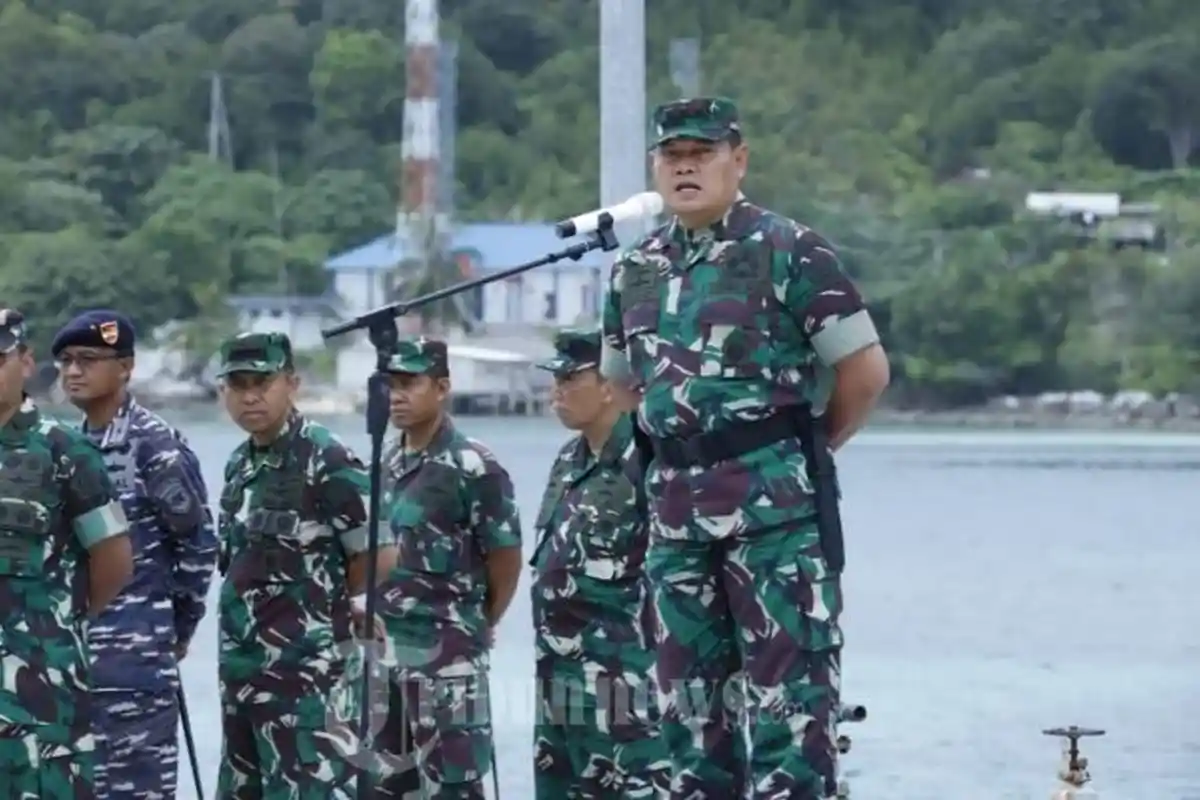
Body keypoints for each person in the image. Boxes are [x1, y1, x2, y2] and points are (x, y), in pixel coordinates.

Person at [600, 97, 891, 799]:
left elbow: (864, 371)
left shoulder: (789, 249)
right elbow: (623, 386)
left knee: (791, 711)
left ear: (739, 160)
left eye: (702, 154)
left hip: (775, 521)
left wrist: (806, 450)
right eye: (672, 156)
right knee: (689, 713)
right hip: (676, 524)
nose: (686, 167)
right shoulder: (635, 269)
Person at [214, 331, 394, 799]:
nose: (250, 396)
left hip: (305, 684)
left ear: (291, 384)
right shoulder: (240, 464)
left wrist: (331, 602)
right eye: (238, 385)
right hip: (242, 676)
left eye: (262, 383)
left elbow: (379, 553)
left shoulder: (325, 457)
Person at [51, 310, 218, 800]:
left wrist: (174, 630)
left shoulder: (153, 446)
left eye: (88, 359)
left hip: (135, 667)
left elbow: (198, 545)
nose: (73, 371)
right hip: (78, 664)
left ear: (125, 367)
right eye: (66, 360)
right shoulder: (73, 446)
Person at [371, 336, 523, 799]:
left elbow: (505, 557)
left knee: (453, 786)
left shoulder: (473, 465)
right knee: (386, 785)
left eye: (410, 383)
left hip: (448, 660)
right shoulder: (387, 458)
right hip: (387, 656)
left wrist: (479, 621)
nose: (397, 395)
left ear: (441, 388)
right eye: (392, 384)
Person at [530, 329, 670, 799]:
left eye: (570, 379)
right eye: (556, 380)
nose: (557, 392)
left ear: (609, 384)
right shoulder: (568, 460)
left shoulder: (649, 459)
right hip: (558, 678)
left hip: (622, 681)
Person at [0, 308, 134, 798]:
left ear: (25, 362)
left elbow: (114, 560)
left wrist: (56, 623)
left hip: (42, 693)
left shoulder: (66, 452)